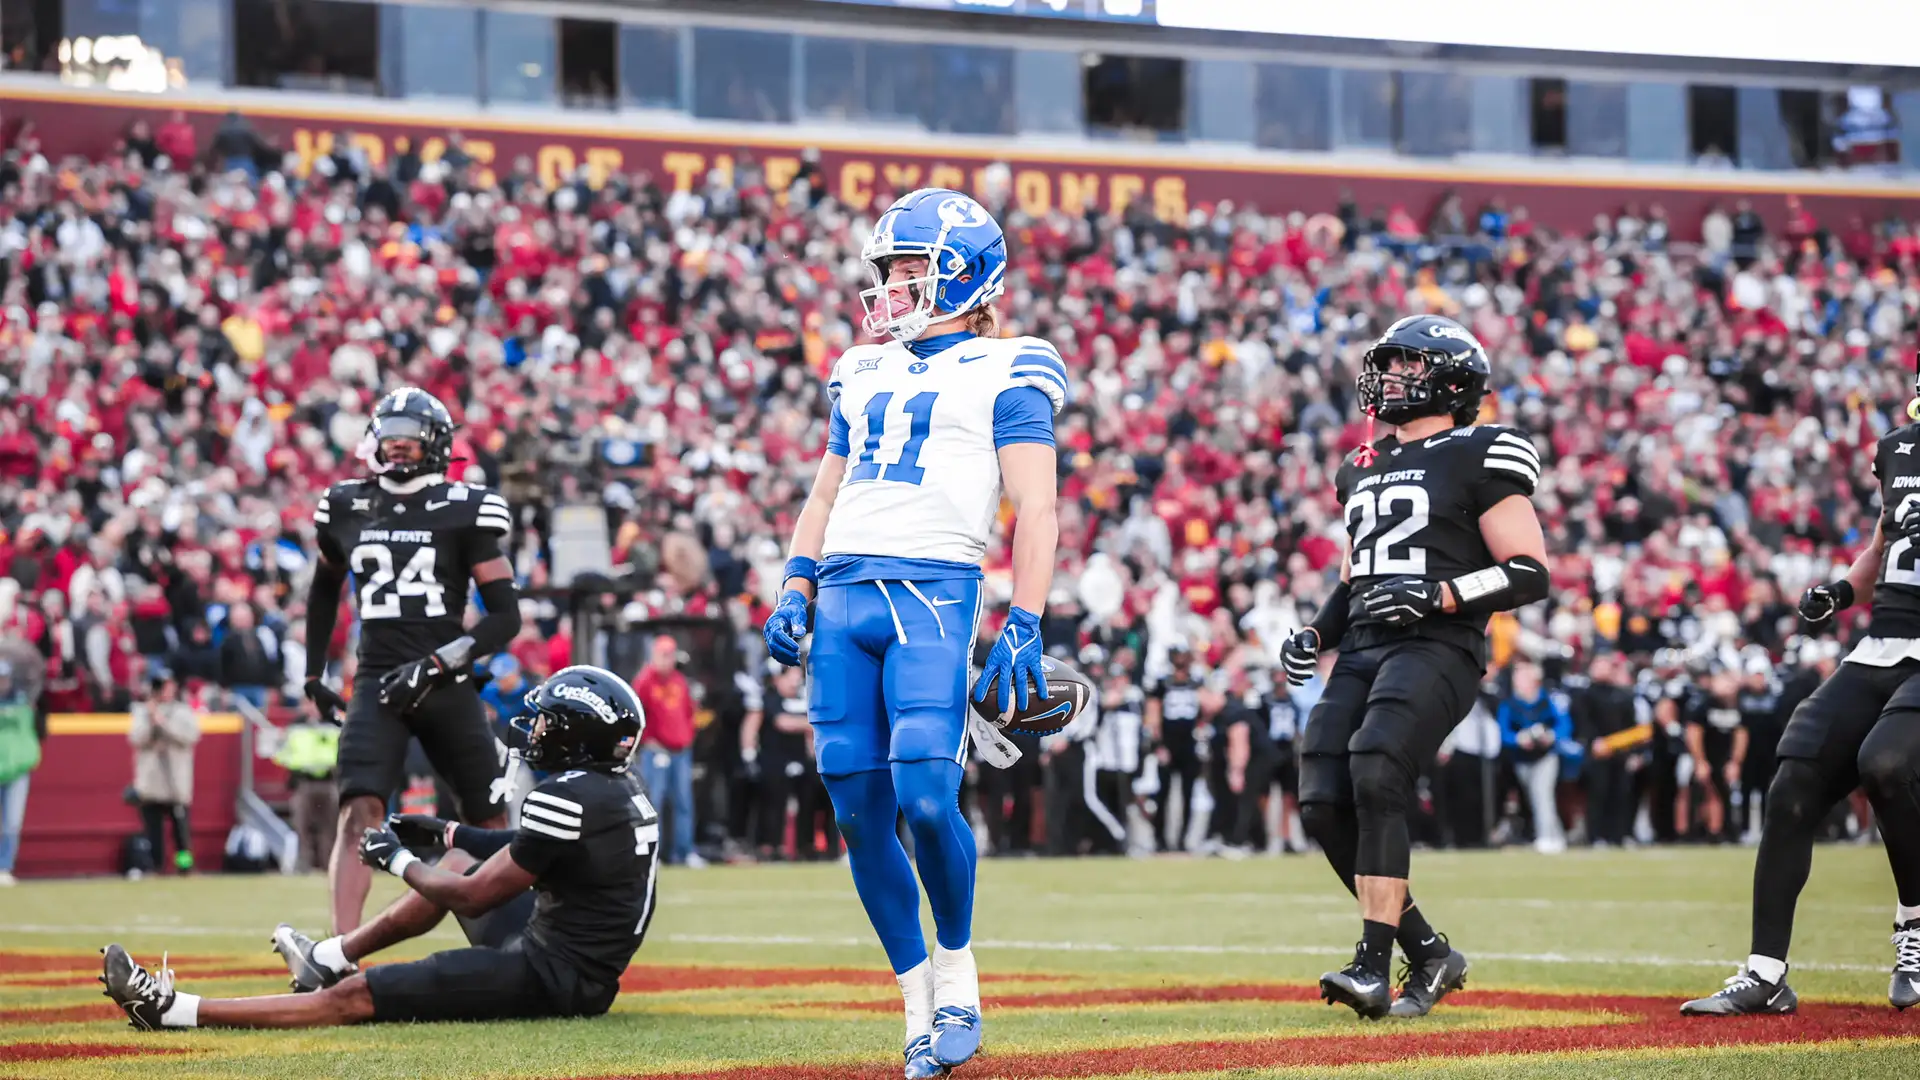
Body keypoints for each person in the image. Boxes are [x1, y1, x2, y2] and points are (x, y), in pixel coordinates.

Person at [761, 187, 1064, 1078]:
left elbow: (1037, 506)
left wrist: (1027, 619)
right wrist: (794, 584)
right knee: (856, 810)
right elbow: (824, 492)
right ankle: (916, 998)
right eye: (888, 270)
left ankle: (960, 969)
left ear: (965, 275)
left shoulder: (1012, 366)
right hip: (845, 593)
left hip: (934, 589)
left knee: (928, 798)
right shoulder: (860, 369)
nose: (890, 286)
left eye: (909, 269)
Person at [102, 666, 659, 1030]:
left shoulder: (569, 798)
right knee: (462, 857)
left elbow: (470, 899)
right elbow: (521, 846)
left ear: (574, 735)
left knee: (362, 996)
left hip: (554, 976)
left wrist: (398, 859)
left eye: (546, 722)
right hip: (573, 958)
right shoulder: (612, 789)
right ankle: (329, 956)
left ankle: (174, 1011)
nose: (534, 730)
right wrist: (445, 833)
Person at [1280, 313, 1550, 1019]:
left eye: (1411, 365)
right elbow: (1357, 577)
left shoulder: (1480, 450)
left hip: (1439, 642)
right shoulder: (1360, 466)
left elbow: (1529, 570)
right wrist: (1317, 631)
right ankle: (1429, 952)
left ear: (1454, 381)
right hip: (1365, 644)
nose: (1393, 377)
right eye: (1390, 364)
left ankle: (1372, 965)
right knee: (1321, 798)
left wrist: (1444, 591)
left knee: (1376, 767)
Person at [1682, 372, 1920, 1015]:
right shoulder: (1900, 449)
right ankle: (1766, 972)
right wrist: (1841, 592)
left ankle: (1915, 924)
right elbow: (1884, 546)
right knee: (1793, 781)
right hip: (1883, 643)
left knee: (1887, 763)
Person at [301, 387, 524, 935]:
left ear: (438, 445)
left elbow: (504, 618)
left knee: (488, 822)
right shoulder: (346, 504)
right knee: (357, 815)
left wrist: (438, 664)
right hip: (377, 681)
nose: (398, 449)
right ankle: (339, 951)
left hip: (445, 682)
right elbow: (324, 588)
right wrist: (313, 673)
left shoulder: (466, 508)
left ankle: (504, 939)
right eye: (391, 437)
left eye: (411, 438)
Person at [632, 634, 702, 868]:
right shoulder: (644, 681)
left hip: (680, 750)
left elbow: (689, 712)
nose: (668, 660)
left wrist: (688, 737)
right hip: (656, 750)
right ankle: (654, 853)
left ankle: (685, 851)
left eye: (671, 655)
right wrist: (646, 742)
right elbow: (635, 716)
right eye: (664, 655)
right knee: (654, 802)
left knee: (684, 802)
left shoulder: (679, 680)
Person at [128, 670, 200, 876]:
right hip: (152, 781)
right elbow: (136, 738)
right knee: (153, 831)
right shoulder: (143, 712)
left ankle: (184, 866)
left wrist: (163, 724)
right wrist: (151, 721)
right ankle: (155, 866)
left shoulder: (182, 712)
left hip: (175, 781)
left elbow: (189, 736)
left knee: (181, 832)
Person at [1497, 660, 1571, 854]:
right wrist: (1519, 739)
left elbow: (1564, 725)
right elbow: (1504, 733)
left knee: (1542, 795)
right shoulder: (1510, 704)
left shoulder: (1547, 700)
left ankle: (1546, 837)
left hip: (1545, 757)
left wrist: (1551, 736)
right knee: (1536, 798)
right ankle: (1557, 837)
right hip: (1522, 759)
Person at [0, 660, 44, 885]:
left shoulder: (23, 703)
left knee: (12, 821)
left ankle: (4, 866)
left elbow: (37, 732)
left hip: (16, 770)